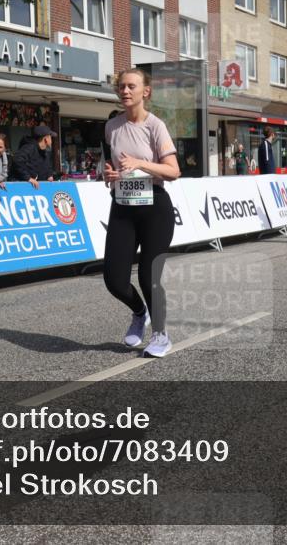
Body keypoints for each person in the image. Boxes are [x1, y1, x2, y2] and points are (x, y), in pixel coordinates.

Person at [102, 69, 181, 358]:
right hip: (123, 206)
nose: (125, 91)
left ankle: (161, 334)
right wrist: (109, 175)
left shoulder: (155, 126)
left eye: (131, 86)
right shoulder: (111, 127)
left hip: (154, 208)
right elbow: (112, 167)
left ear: (145, 91)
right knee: (114, 280)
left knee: (149, 275)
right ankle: (139, 312)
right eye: (121, 86)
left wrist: (140, 163)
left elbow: (173, 171)